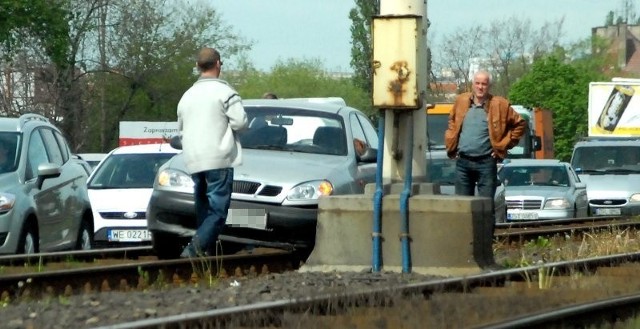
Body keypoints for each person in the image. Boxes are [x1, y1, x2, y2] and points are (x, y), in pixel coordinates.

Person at [177, 47, 248, 258]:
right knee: (218, 212)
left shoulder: (186, 96)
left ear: (198, 67)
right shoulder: (225, 92)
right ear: (218, 64)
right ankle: (193, 251)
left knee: (204, 211)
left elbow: (180, 129)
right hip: (218, 159)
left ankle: (204, 257)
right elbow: (240, 122)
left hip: (194, 160)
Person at [444, 70, 526, 214]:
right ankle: (465, 237)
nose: (480, 87)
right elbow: (452, 120)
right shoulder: (461, 101)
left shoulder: (500, 104)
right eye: (477, 83)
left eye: (484, 84)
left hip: (486, 163)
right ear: (472, 85)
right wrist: (452, 141)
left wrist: (505, 145)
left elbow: (520, 124)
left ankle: (486, 236)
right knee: (462, 209)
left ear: (489, 86)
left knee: (486, 208)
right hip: (463, 162)